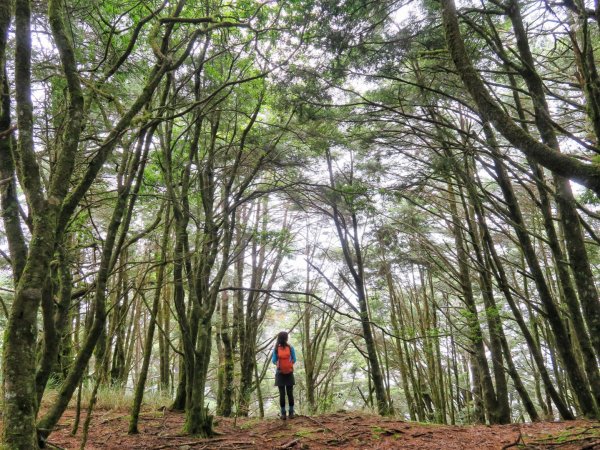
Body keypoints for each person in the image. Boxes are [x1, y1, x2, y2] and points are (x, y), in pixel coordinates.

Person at [272, 331, 296, 420]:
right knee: (290, 394)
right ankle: (291, 413)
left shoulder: (276, 348)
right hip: (289, 373)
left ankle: (283, 414)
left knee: (282, 394)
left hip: (279, 373)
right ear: (286, 338)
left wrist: (279, 365)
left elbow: (274, 360)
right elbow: (294, 359)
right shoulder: (290, 347)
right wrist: (289, 365)